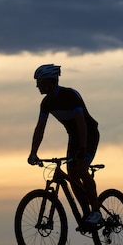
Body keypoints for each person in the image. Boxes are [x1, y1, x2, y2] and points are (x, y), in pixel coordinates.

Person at [27, 64, 102, 225]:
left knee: (81, 168)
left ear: (50, 82)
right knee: (71, 174)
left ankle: (96, 211)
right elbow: (40, 129)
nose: (37, 86)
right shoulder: (46, 103)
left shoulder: (70, 96)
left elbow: (81, 124)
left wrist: (82, 149)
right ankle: (86, 214)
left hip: (88, 135)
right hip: (74, 137)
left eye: (39, 82)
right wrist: (33, 152)